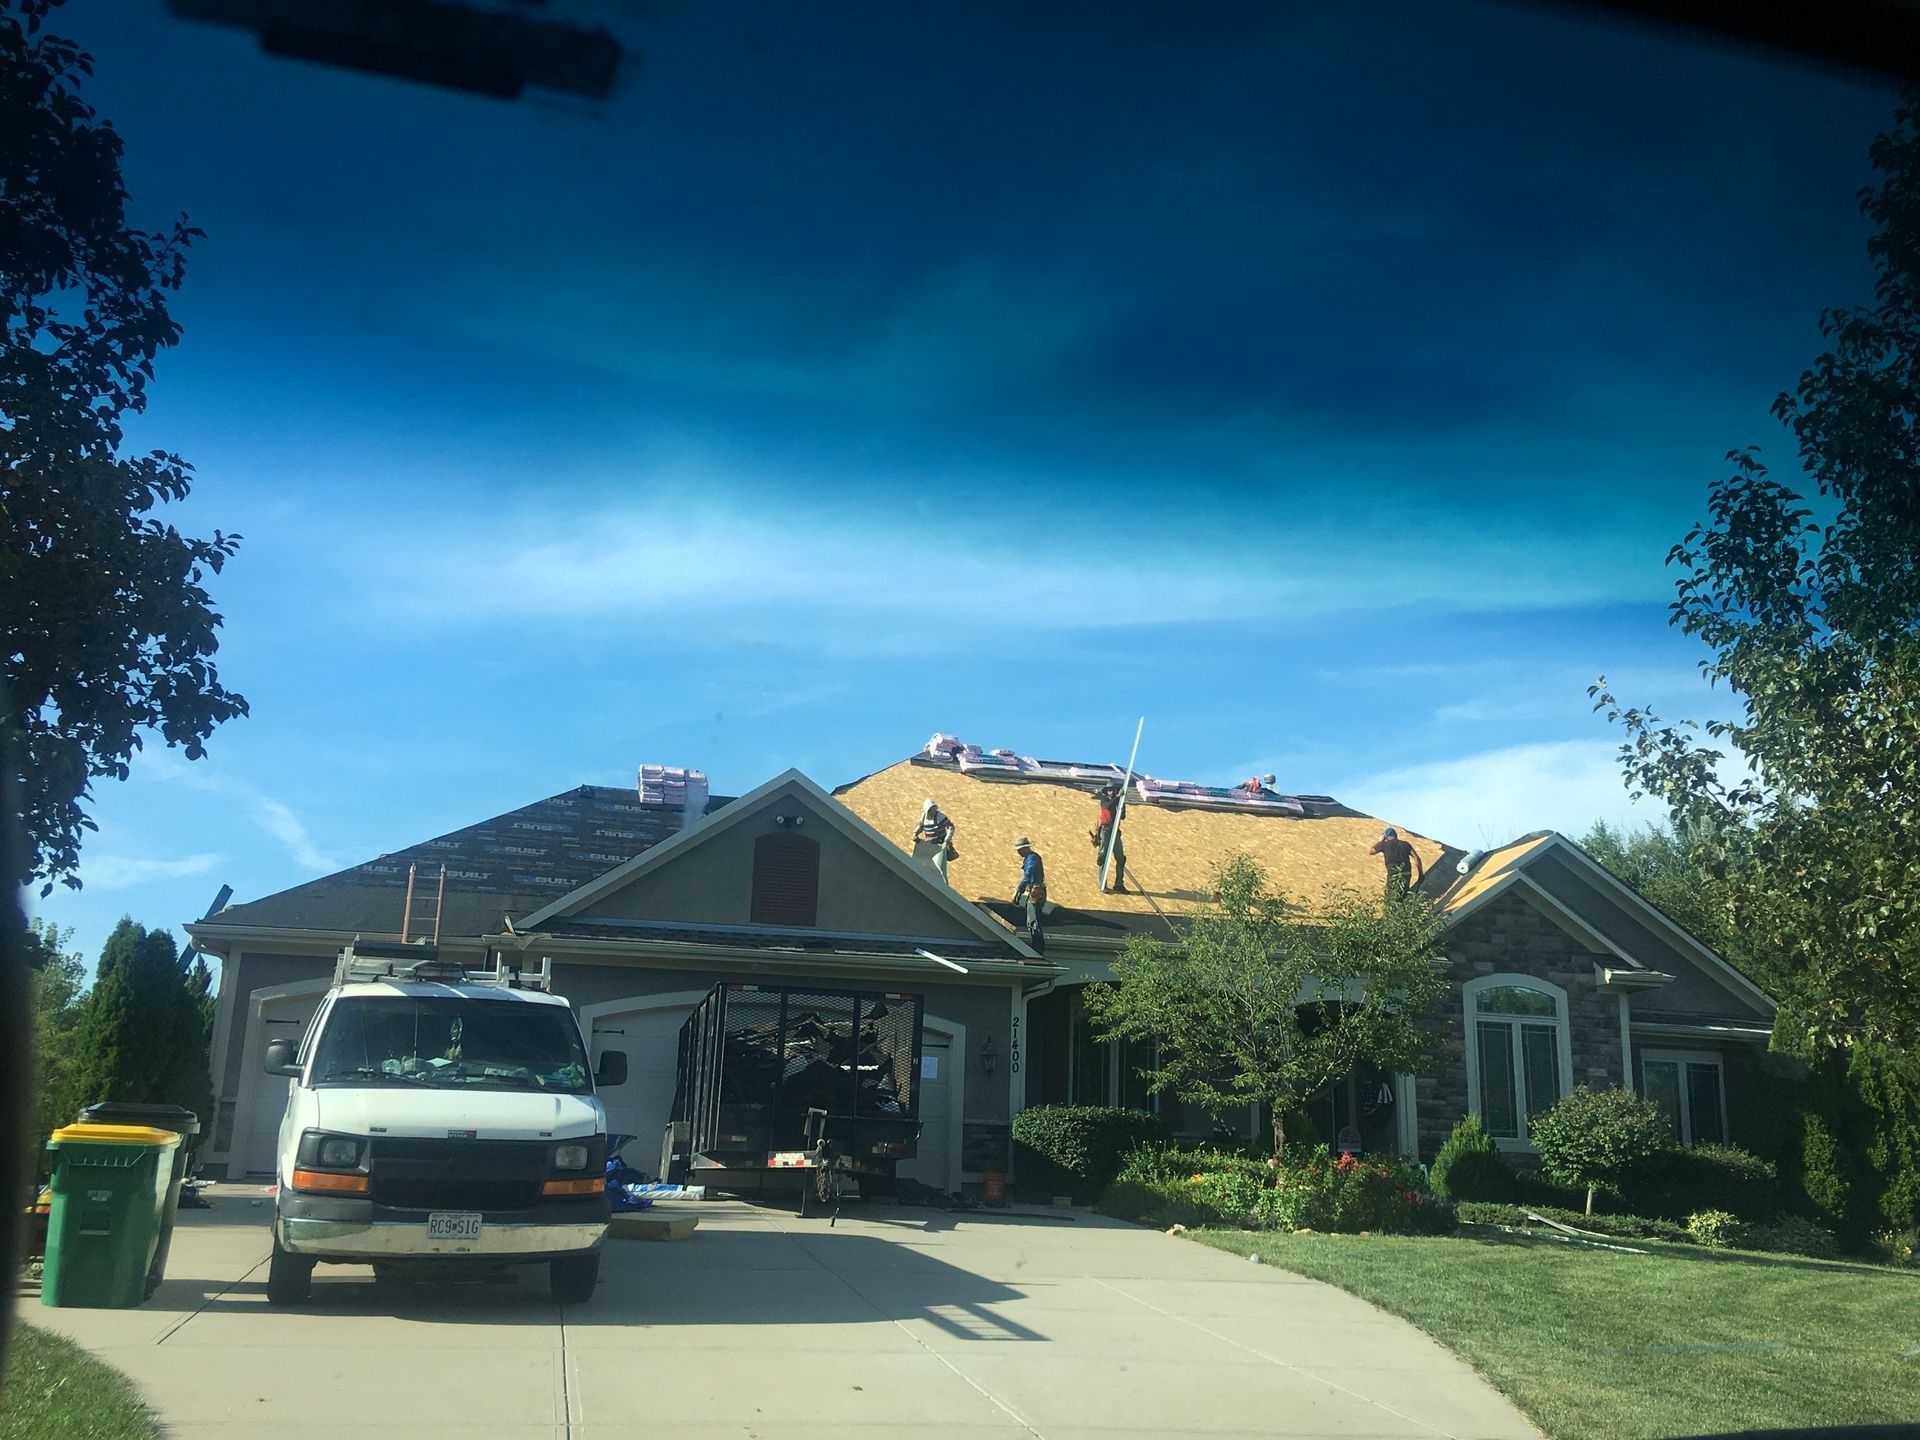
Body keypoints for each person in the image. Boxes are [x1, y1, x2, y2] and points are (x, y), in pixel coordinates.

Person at [1011, 835, 1046, 953]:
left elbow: (1028, 875)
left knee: (1034, 921)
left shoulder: (1032, 858)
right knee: (1030, 921)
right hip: (1033, 890)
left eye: (1020, 849)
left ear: (1025, 848)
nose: (1018, 852)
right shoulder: (1030, 858)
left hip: (1035, 891)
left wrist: (1018, 890)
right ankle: (1036, 945)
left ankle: (1038, 947)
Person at [1089, 783, 1126, 892]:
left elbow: (1122, 816)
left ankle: (1119, 884)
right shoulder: (1104, 800)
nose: (1111, 792)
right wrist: (1118, 797)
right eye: (1109, 790)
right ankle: (1103, 884)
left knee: (1121, 858)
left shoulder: (1117, 801)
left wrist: (1122, 805)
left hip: (1115, 832)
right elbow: (1108, 806)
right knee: (1102, 858)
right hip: (1105, 831)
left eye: (1113, 790)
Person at [1370, 826, 1423, 898]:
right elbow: (1416, 858)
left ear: (1386, 837)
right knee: (1403, 895)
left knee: (1389, 895)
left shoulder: (1384, 844)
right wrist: (1420, 873)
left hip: (1393, 872)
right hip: (1406, 872)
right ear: (1396, 835)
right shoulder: (1405, 844)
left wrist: (1381, 841)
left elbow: (1371, 852)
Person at [910, 798, 955, 880]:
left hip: (940, 846)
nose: (933, 810)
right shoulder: (924, 817)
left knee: (939, 869)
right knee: (925, 866)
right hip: (929, 845)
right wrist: (915, 833)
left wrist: (946, 841)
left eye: (934, 808)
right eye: (931, 808)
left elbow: (951, 828)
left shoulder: (939, 816)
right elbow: (920, 826)